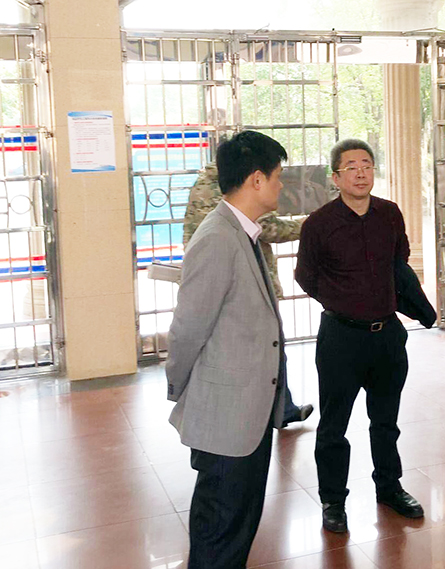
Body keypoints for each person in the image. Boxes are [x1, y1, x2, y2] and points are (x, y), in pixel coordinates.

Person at [166, 131, 290, 568]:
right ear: (256, 180)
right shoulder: (218, 238)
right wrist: (182, 387)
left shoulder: (243, 232)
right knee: (220, 531)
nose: (281, 186)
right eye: (277, 176)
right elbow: (187, 329)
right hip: (226, 418)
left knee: (237, 527)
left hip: (247, 413)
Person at [295, 139, 424, 533]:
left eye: (366, 164)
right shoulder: (319, 224)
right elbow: (305, 276)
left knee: (386, 421)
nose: (361, 173)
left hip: (387, 335)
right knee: (334, 426)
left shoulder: (389, 214)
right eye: (351, 167)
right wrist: (341, 300)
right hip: (341, 338)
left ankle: (390, 487)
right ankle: (333, 500)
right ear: (336, 177)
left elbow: (400, 260)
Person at [183, 162, 313, 428]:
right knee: (270, 348)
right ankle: (273, 411)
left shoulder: (201, 184)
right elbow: (270, 229)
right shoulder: (238, 190)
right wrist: (308, 225)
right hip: (250, 281)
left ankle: (277, 408)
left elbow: (188, 231)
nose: (278, 184)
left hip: (214, 279)